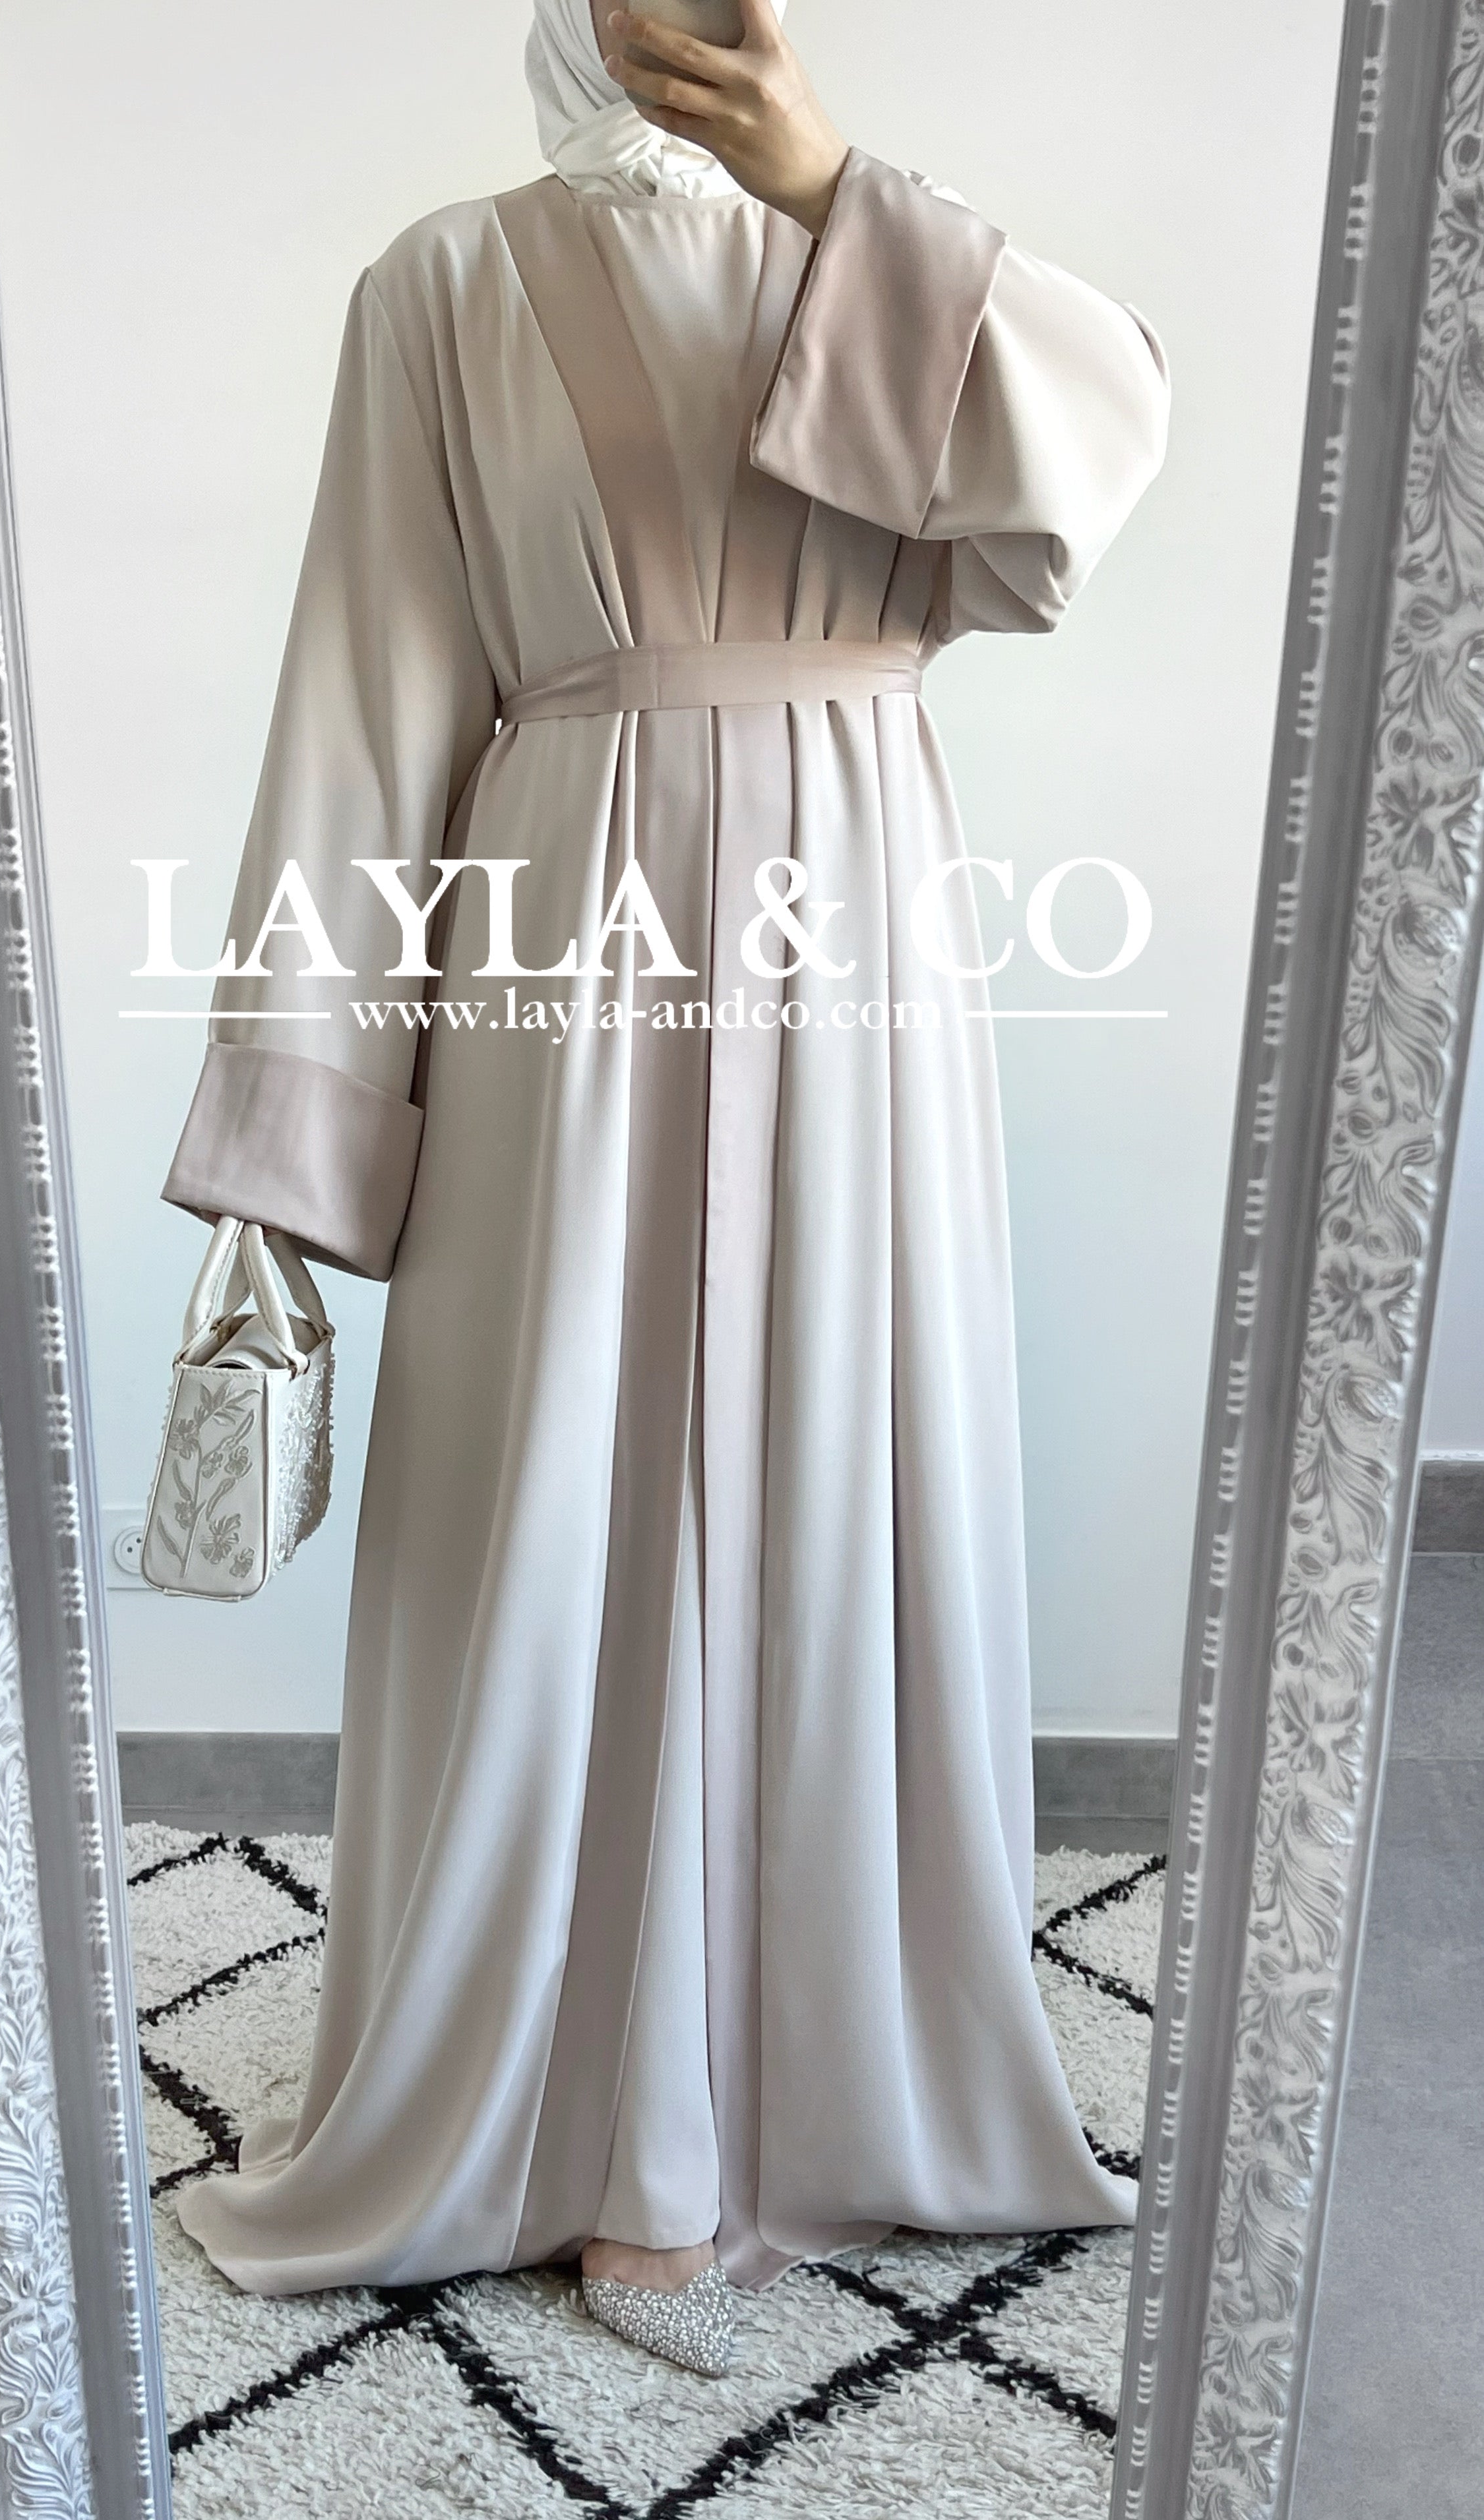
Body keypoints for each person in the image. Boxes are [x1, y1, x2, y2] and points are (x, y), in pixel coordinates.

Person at [162, 0, 1169, 2378]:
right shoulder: (444, 281)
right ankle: (561, 2095)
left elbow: (1094, 460)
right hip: (565, 930)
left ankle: (811, 2076)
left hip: (857, 916)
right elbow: (369, 694)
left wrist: (833, 189)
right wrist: (305, 1123)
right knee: (552, 1463)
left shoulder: (908, 266)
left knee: (833, 1446)